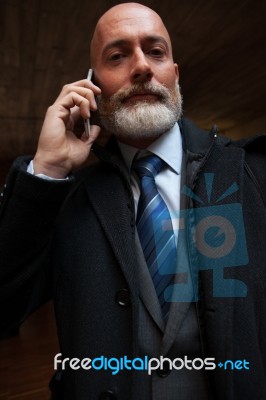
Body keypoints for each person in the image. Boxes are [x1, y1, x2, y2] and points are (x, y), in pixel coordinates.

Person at [0, 2, 266, 399]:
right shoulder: (68, 198)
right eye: (118, 56)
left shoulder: (249, 172)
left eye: (156, 52)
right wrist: (49, 169)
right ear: (93, 85)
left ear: (174, 75)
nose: (141, 66)